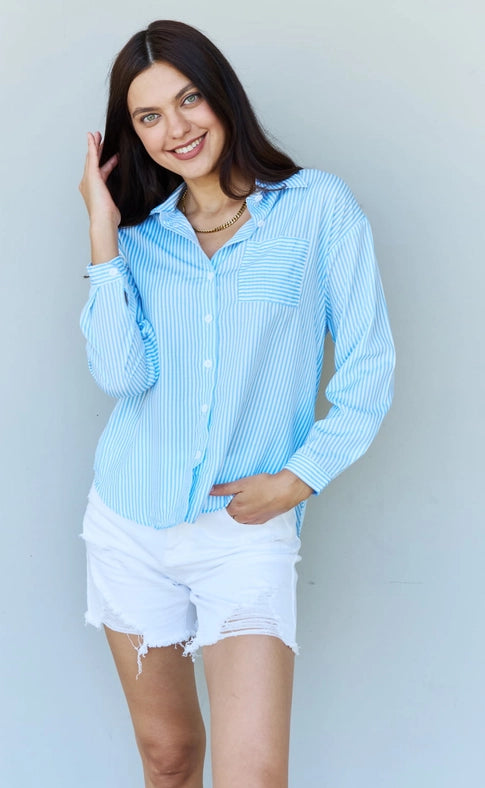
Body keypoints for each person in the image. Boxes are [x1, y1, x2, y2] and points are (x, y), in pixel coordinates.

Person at [78, 19, 395, 788]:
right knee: (168, 757)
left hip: (243, 533)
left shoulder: (316, 208)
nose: (176, 129)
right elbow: (119, 374)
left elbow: (368, 365)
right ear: (133, 133)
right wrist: (102, 232)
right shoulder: (141, 237)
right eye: (149, 116)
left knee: (252, 776)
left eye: (189, 99)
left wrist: (299, 479)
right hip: (130, 524)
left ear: (221, 96)